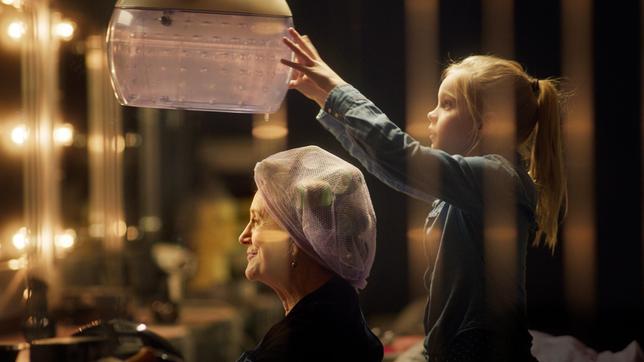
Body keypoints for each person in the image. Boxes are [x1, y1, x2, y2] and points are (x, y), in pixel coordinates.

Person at [280, 28, 567, 362]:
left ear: (488, 124)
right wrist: (325, 99)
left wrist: (335, 90)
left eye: (446, 104)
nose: (432, 114)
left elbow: (400, 157)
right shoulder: (471, 185)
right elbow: (390, 165)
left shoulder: (498, 179)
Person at [236, 145, 384, 362]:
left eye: (257, 220)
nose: (243, 236)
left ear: (298, 239)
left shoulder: (293, 348)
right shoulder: (338, 311)